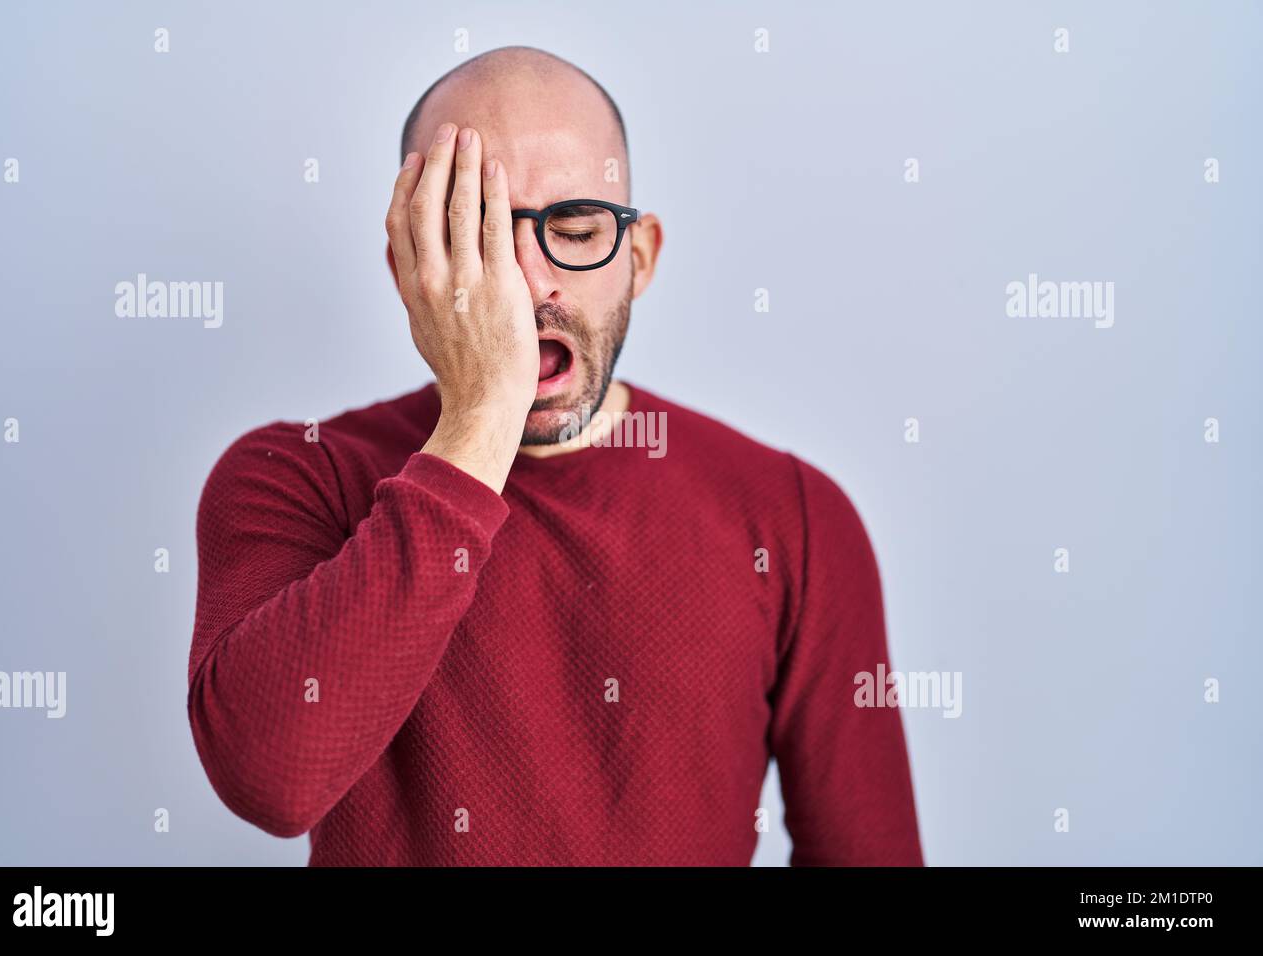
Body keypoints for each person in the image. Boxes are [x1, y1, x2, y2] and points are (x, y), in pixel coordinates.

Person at [187, 45, 923, 866]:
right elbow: (269, 782)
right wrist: (477, 419)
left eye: (574, 229)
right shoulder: (299, 476)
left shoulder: (793, 517)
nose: (531, 280)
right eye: (475, 236)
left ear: (639, 258)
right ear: (409, 267)